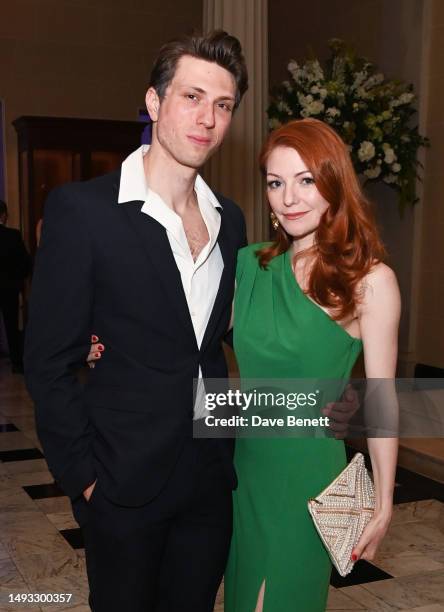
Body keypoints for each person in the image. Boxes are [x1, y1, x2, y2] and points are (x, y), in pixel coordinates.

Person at [24, 31, 249, 612]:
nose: (207, 119)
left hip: (207, 479)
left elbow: (213, 344)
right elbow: (48, 361)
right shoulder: (85, 211)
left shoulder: (232, 221)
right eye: (192, 97)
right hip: (121, 483)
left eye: (223, 105)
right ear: (154, 103)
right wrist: (85, 478)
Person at [223, 119, 400, 611]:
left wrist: (383, 502)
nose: (289, 198)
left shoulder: (370, 281)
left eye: (306, 180)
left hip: (310, 476)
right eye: (276, 183)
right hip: (246, 469)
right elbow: (184, 334)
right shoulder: (248, 265)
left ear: (333, 184)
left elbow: (380, 397)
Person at [0, 200, 31, 373]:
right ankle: (17, 363)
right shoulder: (13, 235)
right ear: (4, 215)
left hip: (8, 285)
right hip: (8, 288)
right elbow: (24, 263)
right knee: (11, 326)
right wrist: (18, 281)